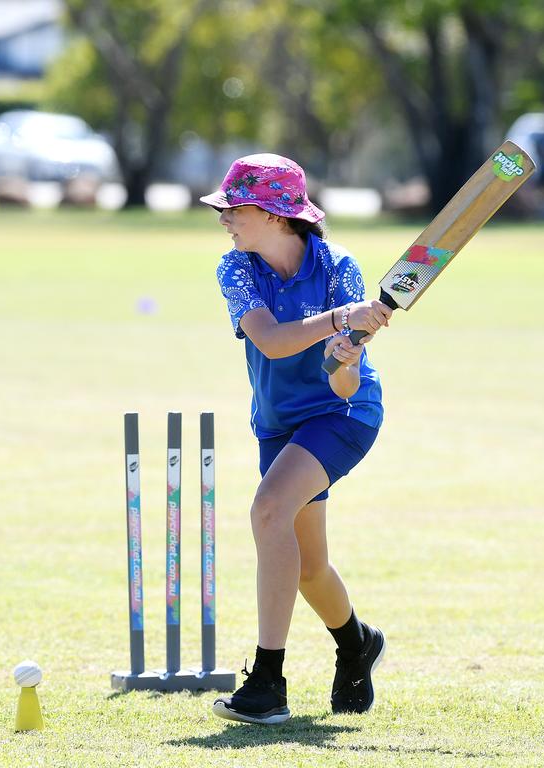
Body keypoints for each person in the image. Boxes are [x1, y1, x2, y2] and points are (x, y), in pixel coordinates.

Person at [200, 154, 392, 723]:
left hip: (343, 415)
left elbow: (345, 381)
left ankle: (266, 682)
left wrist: (345, 357)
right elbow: (274, 342)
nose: (225, 218)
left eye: (235, 208)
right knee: (309, 568)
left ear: (278, 216)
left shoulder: (340, 268)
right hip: (280, 423)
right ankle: (358, 643)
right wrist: (340, 321)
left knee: (267, 511)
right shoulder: (236, 269)